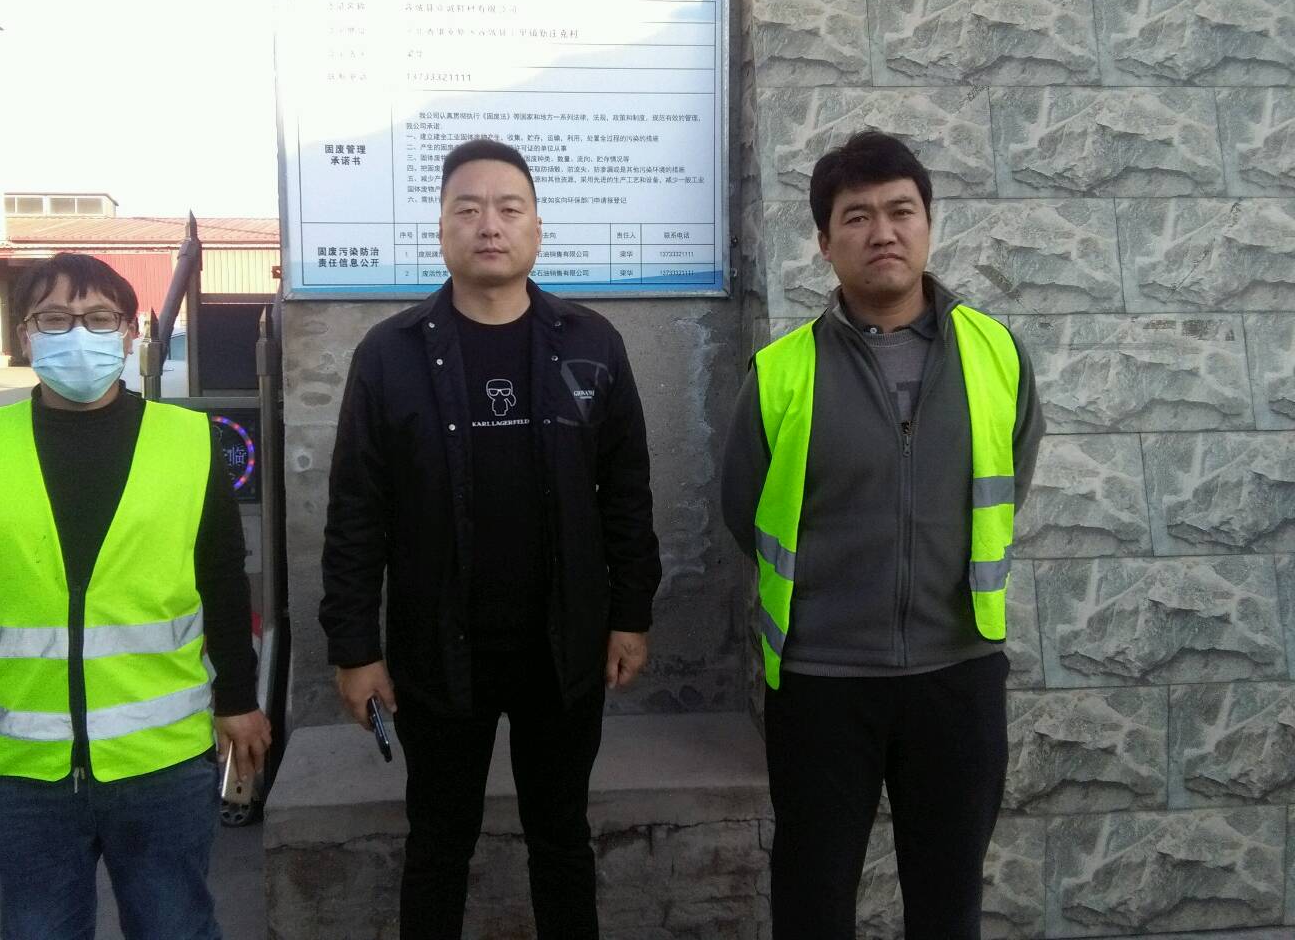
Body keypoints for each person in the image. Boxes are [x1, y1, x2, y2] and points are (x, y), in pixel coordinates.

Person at [321, 138, 662, 939]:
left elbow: (627, 494)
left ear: (537, 227)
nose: (489, 225)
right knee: (438, 842)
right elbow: (357, 512)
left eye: (509, 208)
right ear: (440, 229)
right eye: (467, 208)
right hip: (438, 649)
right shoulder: (390, 355)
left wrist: (631, 615)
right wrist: (354, 649)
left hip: (563, 647)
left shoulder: (591, 343)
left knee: (562, 838)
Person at [721, 131, 1045, 939]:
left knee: (948, 904)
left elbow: (1011, 477)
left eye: (901, 211)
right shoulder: (782, 370)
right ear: (825, 243)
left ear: (928, 224)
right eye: (857, 216)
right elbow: (745, 509)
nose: (883, 232)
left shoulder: (997, 353)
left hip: (958, 674)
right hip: (822, 682)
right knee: (813, 902)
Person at [0, 252, 271, 940]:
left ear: (130, 333)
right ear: (25, 335)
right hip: (24, 767)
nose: (78, 333)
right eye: (54, 318)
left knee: (175, 927)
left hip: (162, 761)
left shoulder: (187, 441)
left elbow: (223, 581)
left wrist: (237, 699)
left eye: (99, 318)